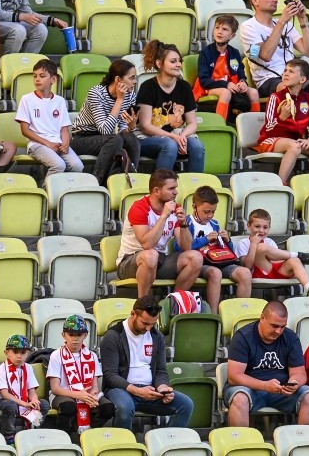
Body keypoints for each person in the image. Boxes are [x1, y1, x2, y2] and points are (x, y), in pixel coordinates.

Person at [100, 295, 194, 429]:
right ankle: (124, 446)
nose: (149, 328)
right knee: (125, 407)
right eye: (145, 323)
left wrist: (163, 388)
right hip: (121, 389)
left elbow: (161, 370)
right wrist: (137, 391)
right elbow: (110, 375)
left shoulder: (157, 336)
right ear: (133, 314)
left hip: (150, 390)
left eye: (153, 324)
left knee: (186, 404)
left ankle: (167, 445)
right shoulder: (113, 336)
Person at [225, 300, 309, 427]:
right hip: (250, 389)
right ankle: (239, 444)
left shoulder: (291, 338)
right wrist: (264, 386)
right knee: (240, 398)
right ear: (262, 318)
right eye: (274, 326)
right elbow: (234, 376)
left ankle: (306, 443)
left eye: (282, 327)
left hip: (282, 391)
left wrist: (294, 383)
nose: (278, 331)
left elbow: (299, 373)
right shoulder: (243, 336)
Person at [115, 168, 203, 299]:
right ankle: (143, 304)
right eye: (171, 188)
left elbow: (186, 247)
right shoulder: (139, 208)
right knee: (150, 255)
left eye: (176, 188)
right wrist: (163, 216)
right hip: (129, 261)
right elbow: (147, 244)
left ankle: (174, 302)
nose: (176, 192)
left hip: (160, 259)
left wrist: (184, 223)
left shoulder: (175, 207)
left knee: (195, 257)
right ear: (157, 191)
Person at [174, 186, 252, 307]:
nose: (210, 215)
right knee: (216, 273)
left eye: (213, 211)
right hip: (200, 264)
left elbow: (229, 252)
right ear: (194, 207)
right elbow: (179, 248)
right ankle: (214, 314)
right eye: (206, 212)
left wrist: (227, 240)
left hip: (219, 260)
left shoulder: (214, 223)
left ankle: (242, 311)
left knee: (245, 273)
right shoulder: (187, 222)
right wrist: (206, 239)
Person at [136, 40, 205, 173]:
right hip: (148, 138)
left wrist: (183, 137)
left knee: (196, 146)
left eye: (179, 61)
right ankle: (161, 187)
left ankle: (194, 188)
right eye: (173, 61)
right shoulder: (148, 87)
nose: (178, 64)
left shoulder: (184, 87)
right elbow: (145, 126)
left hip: (177, 135)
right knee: (170, 145)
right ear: (159, 63)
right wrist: (173, 138)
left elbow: (192, 123)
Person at [255, 59, 309, 185]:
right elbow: (268, 128)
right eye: (285, 70)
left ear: (302, 79)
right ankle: (280, 184)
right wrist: (282, 117)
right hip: (270, 139)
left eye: (291, 72)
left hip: (295, 140)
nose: (286, 74)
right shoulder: (275, 97)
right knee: (295, 146)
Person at [71, 59, 141, 186]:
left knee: (131, 138)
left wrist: (130, 127)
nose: (135, 82)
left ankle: (131, 179)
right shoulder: (97, 93)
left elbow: (121, 128)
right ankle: (97, 180)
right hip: (82, 138)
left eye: (135, 78)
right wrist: (119, 100)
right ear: (118, 80)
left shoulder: (130, 95)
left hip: (107, 139)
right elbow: (105, 130)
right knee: (115, 140)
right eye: (132, 78)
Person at [16, 58, 83, 182]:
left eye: (42, 76)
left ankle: (64, 190)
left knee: (77, 166)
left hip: (57, 143)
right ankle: (47, 193)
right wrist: (47, 143)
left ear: (53, 79)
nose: (37, 79)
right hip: (37, 145)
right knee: (58, 165)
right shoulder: (27, 99)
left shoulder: (60, 101)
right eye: (35, 76)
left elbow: (64, 128)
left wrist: (66, 144)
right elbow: (25, 130)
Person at [47, 315, 114, 436]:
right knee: (68, 407)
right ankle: (65, 438)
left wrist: (92, 396)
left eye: (79, 335)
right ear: (63, 335)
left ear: (86, 335)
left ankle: (88, 434)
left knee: (107, 408)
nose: (75, 339)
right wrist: (79, 395)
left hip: (86, 394)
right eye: (71, 335)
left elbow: (94, 386)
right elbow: (55, 388)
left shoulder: (92, 356)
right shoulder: (56, 355)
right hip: (63, 394)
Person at [235, 208, 309, 297]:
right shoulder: (243, 243)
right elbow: (247, 267)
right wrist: (253, 244)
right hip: (257, 273)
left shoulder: (270, 242)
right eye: (257, 226)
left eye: (265, 227)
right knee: (261, 248)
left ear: (269, 228)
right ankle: (298, 254)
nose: (261, 230)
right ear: (248, 226)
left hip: (275, 271)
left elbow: (276, 260)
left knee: (294, 260)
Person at [193, 15, 261, 123]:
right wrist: (226, 85)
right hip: (208, 87)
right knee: (225, 92)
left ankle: (255, 126)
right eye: (217, 28)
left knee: (253, 93)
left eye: (224, 29)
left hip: (231, 85)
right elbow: (204, 80)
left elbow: (240, 72)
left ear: (232, 35)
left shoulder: (234, 52)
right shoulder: (205, 53)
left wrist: (242, 81)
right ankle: (220, 125)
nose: (219, 32)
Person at [0, 334, 49, 444]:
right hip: (2, 400)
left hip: (24, 400)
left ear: (28, 353)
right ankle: (9, 436)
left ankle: (32, 431)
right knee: (10, 405)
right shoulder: (1, 369)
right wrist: (25, 404)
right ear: (7, 353)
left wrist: (34, 400)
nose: (19, 356)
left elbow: (31, 391)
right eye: (15, 352)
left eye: (23, 352)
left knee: (44, 404)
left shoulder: (28, 368)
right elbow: (5, 394)